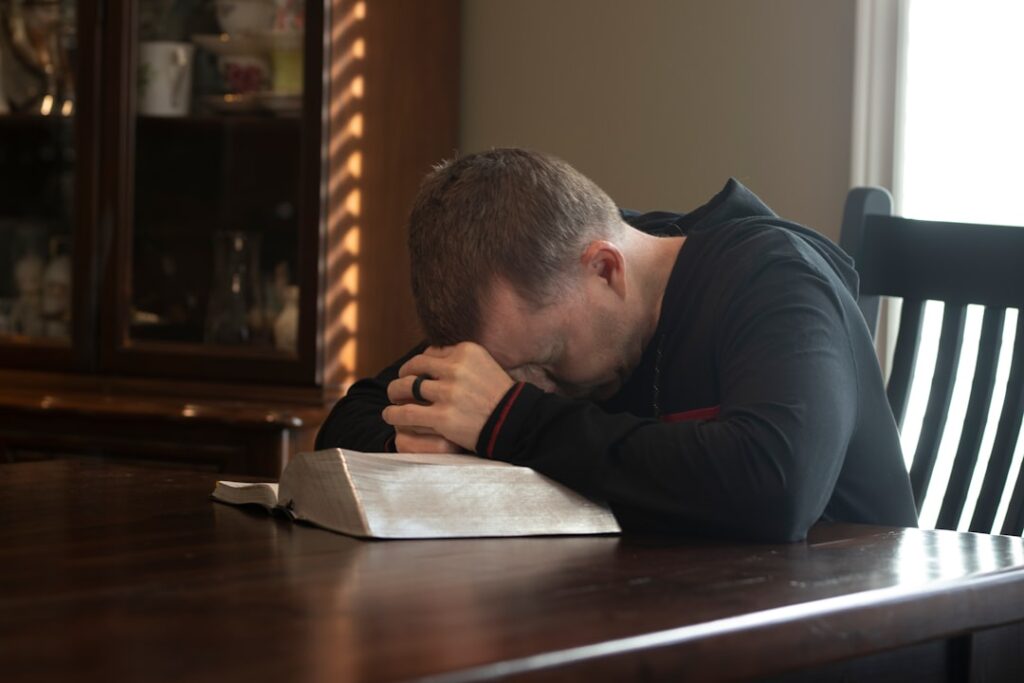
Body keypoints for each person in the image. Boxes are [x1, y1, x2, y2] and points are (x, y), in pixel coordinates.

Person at [316, 148, 918, 542]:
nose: (534, 385)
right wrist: (424, 432)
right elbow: (350, 420)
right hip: (657, 611)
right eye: (506, 373)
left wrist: (508, 420)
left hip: (854, 629)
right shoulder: (532, 302)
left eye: (545, 362)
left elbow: (776, 486)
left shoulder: (775, 278)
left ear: (604, 269)